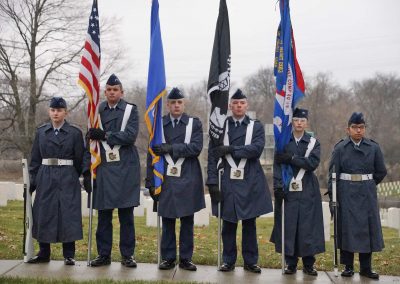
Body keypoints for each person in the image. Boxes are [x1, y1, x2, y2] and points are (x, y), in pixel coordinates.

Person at [206, 89, 273, 273]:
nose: (238, 106)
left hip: (250, 179)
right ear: (230, 106)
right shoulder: (220, 127)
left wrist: (230, 149)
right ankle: (228, 260)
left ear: (247, 105)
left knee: (249, 224)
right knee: (228, 223)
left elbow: (256, 149)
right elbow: (212, 156)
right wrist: (212, 182)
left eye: (242, 103)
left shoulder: (255, 126)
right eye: (235, 103)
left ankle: (251, 261)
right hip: (226, 179)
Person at [84, 74, 141, 268]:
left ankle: (127, 255)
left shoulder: (131, 110)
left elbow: (130, 136)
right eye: (108, 90)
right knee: (104, 215)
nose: (111, 93)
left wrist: (105, 135)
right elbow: (91, 141)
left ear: (122, 92)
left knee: (126, 216)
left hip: (125, 168)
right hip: (105, 168)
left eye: (115, 90)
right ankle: (103, 254)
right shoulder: (97, 111)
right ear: (104, 92)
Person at [145, 87, 205, 271]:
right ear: (168, 105)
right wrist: (150, 182)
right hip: (167, 179)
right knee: (168, 220)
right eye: (173, 102)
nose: (176, 105)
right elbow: (152, 154)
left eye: (179, 102)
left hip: (188, 177)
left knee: (187, 220)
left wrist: (170, 148)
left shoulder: (194, 123)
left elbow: (196, 148)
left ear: (184, 104)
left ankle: (186, 258)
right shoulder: (159, 125)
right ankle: (168, 258)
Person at [328, 112, 387, 280]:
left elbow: (381, 171)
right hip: (346, 192)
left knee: (366, 230)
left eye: (361, 127)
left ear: (365, 129)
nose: (358, 130)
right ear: (348, 129)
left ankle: (366, 267)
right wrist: (335, 196)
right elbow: (333, 174)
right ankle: (348, 266)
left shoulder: (373, 147)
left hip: (367, 192)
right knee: (346, 229)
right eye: (355, 127)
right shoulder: (340, 148)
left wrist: (368, 184)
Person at [28, 97, 85, 265]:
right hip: (46, 175)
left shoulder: (74, 133)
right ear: (49, 111)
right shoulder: (41, 132)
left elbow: (79, 158)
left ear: (65, 112)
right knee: (44, 212)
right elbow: (35, 158)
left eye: (59, 110)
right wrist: (33, 179)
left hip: (67, 175)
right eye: (53, 110)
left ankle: (69, 254)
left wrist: (79, 176)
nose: (55, 113)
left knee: (68, 213)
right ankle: (44, 252)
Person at [270, 108, 325, 276]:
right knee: (289, 225)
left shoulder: (313, 142)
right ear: (292, 122)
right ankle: (291, 263)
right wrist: (278, 186)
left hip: (308, 188)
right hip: (288, 188)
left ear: (306, 122)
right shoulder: (283, 142)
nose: (299, 123)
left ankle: (309, 264)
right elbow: (277, 165)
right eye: (296, 120)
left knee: (308, 226)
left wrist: (292, 159)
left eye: (302, 120)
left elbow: (312, 164)